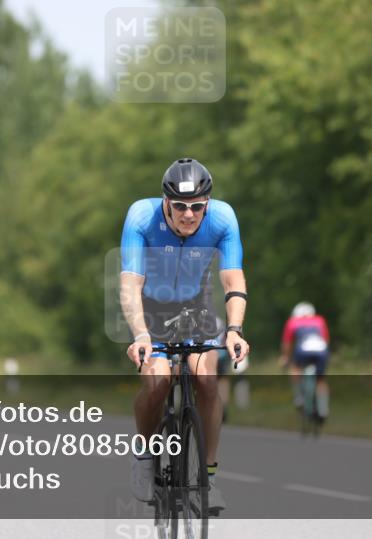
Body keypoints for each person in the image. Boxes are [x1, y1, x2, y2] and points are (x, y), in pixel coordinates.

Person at [121, 157, 250, 511]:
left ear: (207, 203)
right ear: (166, 201)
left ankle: (207, 479)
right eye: (179, 206)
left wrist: (235, 329)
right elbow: (130, 284)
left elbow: (232, 278)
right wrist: (141, 336)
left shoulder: (223, 218)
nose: (189, 215)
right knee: (158, 382)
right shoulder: (142, 217)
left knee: (206, 379)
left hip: (197, 308)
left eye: (197, 207)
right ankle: (145, 455)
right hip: (151, 311)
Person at [279, 302, 330, 423]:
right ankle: (323, 409)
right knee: (321, 380)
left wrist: (285, 358)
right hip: (321, 351)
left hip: (302, 350)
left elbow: (287, 344)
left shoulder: (292, 322)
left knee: (295, 368)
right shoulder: (320, 320)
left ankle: (299, 397)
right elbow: (326, 340)